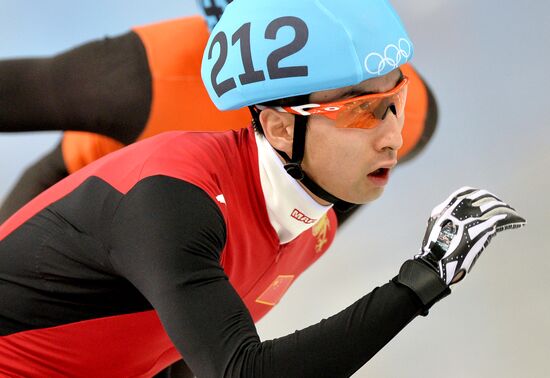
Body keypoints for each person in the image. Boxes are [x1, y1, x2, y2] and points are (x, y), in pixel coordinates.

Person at [0, 0, 524, 377]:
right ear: (276, 125)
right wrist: (422, 280)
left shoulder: (331, 179)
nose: (391, 136)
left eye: (396, 103)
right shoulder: (145, 90)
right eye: (364, 112)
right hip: (114, 225)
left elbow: (187, 347)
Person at [0, 0, 437, 224]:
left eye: (373, 106)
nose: (389, 133)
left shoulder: (403, 104)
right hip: (79, 201)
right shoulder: (138, 80)